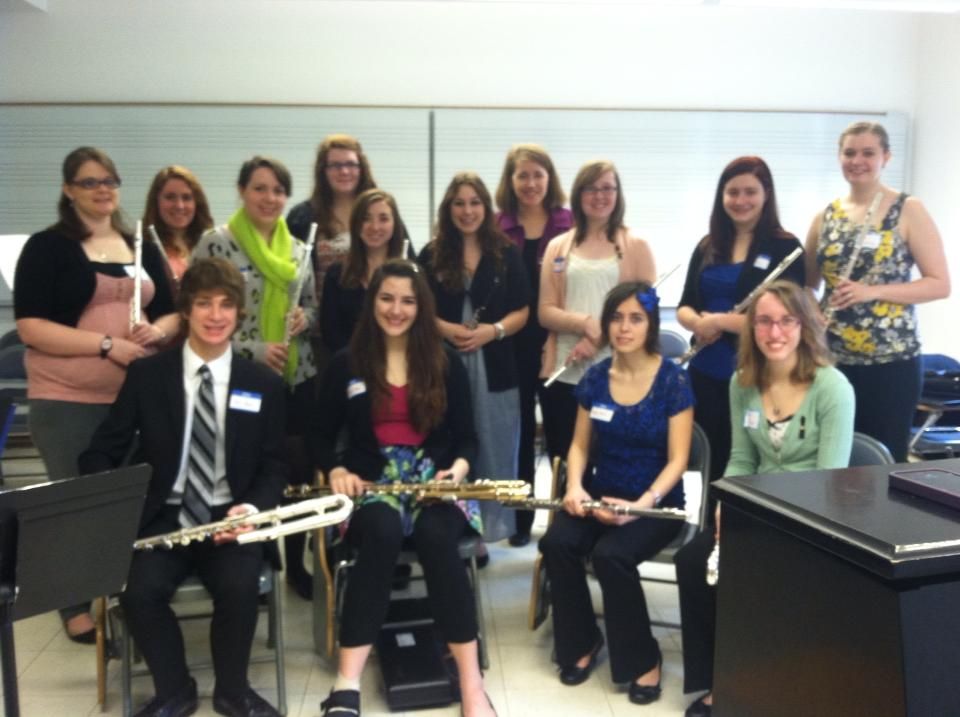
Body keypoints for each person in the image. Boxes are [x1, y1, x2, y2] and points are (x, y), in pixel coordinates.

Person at [79, 258, 287, 717]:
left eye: (226, 305)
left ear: (240, 313)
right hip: (163, 517)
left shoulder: (264, 384)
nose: (216, 315)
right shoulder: (148, 376)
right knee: (138, 591)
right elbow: (101, 451)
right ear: (187, 310)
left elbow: (276, 464)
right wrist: (115, 507)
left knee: (239, 585)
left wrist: (252, 506)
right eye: (204, 304)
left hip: (231, 515)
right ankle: (175, 689)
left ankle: (233, 691)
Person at [312, 260, 495, 717]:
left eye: (408, 300)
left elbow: (468, 437)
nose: (397, 309)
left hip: (435, 478)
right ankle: (346, 684)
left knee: (436, 538)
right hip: (371, 480)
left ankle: (472, 685)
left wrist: (457, 468)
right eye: (387, 298)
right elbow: (316, 434)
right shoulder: (346, 363)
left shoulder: (445, 360)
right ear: (372, 301)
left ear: (422, 306)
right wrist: (335, 469)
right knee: (381, 533)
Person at [13, 146, 178, 644]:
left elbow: (172, 309)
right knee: (73, 504)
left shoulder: (137, 243)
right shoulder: (48, 247)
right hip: (67, 399)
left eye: (110, 180)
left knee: (126, 505)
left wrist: (159, 333)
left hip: (133, 400)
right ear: (69, 190)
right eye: (90, 182)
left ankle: (120, 592)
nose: (103, 189)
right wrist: (107, 346)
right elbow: (31, 327)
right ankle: (73, 606)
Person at [674, 280, 855, 717]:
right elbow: (741, 457)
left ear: (806, 326)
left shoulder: (833, 388)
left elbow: (829, 480)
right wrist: (725, 506)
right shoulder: (743, 383)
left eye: (787, 321)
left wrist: (773, 527)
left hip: (811, 521)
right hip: (754, 511)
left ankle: (774, 681)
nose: (775, 333)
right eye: (765, 322)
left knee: (764, 577)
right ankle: (721, 679)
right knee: (693, 561)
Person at [539, 281, 693, 705]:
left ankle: (645, 659)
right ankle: (583, 642)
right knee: (557, 543)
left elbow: (678, 459)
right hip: (600, 493)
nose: (624, 328)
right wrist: (574, 486)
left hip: (657, 504)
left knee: (611, 555)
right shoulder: (595, 378)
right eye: (616, 318)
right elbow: (578, 445)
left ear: (650, 324)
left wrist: (640, 505)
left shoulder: (672, 380)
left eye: (635, 318)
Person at [193, 156, 318, 599]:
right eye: (261, 188)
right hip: (239, 376)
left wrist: (306, 318)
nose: (270, 198)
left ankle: (298, 559)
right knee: (249, 469)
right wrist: (255, 350)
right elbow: (199, 315)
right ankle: (257, 551)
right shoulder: (217, 244)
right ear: (242, 191)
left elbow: (315, 310)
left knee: (298, 470)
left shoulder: (300, 251)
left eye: (279, 190)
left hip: (295, 376)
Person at [805, 121, 950, 462]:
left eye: (868, 153)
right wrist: (813, 314)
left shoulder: (908, 209)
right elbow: (808, 286)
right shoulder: (825, 216)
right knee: (831, 458)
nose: (858, 160)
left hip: (891, 363)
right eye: (849, 152)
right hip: (832, 359)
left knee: (882, 461)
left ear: (886, 156)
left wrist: (871, 292)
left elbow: (939, 283)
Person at [677, 156, 805, 489]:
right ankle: (711, 532)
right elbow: (685, 305)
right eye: (732, 192)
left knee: (752, 462)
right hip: (706, 372)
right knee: (713, 462)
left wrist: (721, 320)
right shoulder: (708, 245)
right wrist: (697, 323)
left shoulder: (785, 247)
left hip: (758, 374)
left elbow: (788, 318)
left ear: (766, 194)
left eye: (750, 191)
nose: (741, 200)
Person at [419, 172, 530, 546]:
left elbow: (523, 311)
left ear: (486, 206)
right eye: (459, 203)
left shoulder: (506, 253)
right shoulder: (431, 254)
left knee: (495, 447)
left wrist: (492, 331)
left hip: (496, 367)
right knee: (452, 445)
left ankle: (487, 532)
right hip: (445, 365)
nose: (467, 211)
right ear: (448, 209)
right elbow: (417, 309)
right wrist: (447, 329)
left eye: (474, 202)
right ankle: (454, 527)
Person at [539, 160, 656, 467]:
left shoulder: (636, 245)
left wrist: (600, 338)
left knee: (610, 464)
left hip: (619, 372)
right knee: (564, 463)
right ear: (578, 194)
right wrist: (585, 323)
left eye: (607, 188)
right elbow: (545, 311)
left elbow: (645, 312)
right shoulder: (557, 246)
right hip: (565, 372)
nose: (599, 195)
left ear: (618, 194)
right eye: (591, 188)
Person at [494, 143, 574, 547]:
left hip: (562, 344)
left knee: (563, 436)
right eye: (522, 175)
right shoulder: (497, 226)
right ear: (510, 181)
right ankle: (521, 519)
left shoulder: (570, 222)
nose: (530, 183)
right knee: (520, 434)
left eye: (537, 175)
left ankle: (565, 521)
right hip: (511, 345)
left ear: (549, 179)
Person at [286, 134, 377, 367]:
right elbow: (288, 271)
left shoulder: (380, 212)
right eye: (335, 165)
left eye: (350, 164)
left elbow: (404, 263)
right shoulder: (302, 217)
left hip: (377, 328)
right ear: (323, 171)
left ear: (361, 168)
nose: (343, 171)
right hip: (319, 332)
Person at [320, 188, 410, 353]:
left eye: (383, 219)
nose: (375, 227)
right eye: (366, 219)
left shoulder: (410, 275)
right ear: (356, 224)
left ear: (395, 224)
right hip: (350, 367)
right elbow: (330, 334)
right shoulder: (337, 274)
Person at [142, 165, 214, 287]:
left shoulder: (211, 244)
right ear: (156, 201)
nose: (179, 205)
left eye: (187, 198)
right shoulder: (144, 249)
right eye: (170, 197)